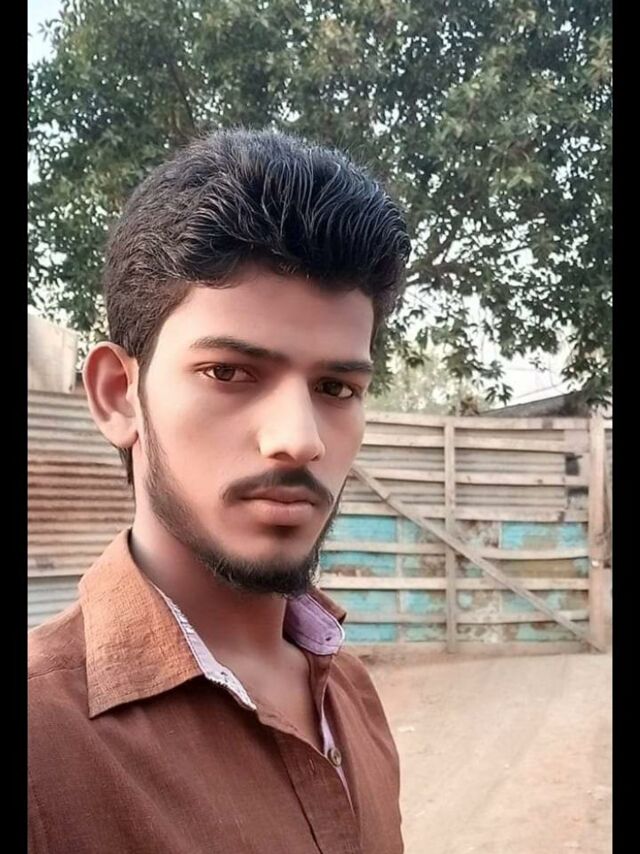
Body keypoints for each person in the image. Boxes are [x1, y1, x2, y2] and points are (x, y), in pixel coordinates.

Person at [28, 128, 411, 854]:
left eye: (336, 387)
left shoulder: (352, 694)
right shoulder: (42, 743)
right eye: (229, 373)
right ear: (118, 395)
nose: (299, 439)